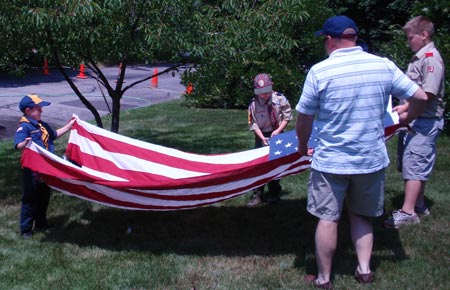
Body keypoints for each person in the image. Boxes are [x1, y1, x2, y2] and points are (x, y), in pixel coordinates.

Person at [295, 16, 428, 288]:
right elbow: (421, 96)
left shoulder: (320, 71)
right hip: (370, 159)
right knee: (362, 215)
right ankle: (365, 270)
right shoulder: (382, 65)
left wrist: (301, 145)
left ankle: (323, 279)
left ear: (329, 40)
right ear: (354, 38)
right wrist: (406, 118)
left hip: (331, 161)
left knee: (328, 218)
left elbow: (304, 118)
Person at [384, 16, 445, 229]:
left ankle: (408, 211)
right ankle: (418, 204)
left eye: (410, 38)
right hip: (417, 118)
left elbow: (427, 95)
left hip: (424, 122)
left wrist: (408, 116)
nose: (408, 42)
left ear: (424, 35)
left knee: (415, 164)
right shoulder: (420, 58)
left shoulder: (431, 58)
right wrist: (405, 108)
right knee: (414, 163)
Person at [14, 94, 75, 239]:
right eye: (38, 108)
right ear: (28, 111)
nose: (41, 110)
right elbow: (18, 145)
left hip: (45, 169)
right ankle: (26, 229)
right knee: (30, 199)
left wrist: (70, 125)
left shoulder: (41, 124)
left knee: (43, 197)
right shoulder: (24, 126)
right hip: (32, 171)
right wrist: (25, 144)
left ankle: (41, 223)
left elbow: (54, 134)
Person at [247, 73, 293, 206]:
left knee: (275, 164)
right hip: (261, 135)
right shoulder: (254, 104)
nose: (264, 95)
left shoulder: (279, 99)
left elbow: (287, 117)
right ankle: (258, 194)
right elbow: (253, 124)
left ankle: (274, 193)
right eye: (261, 92)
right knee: (259, 165)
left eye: (266, 91)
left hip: (277, 134)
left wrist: (277, 131)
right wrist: (262, 138)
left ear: (271, 87)